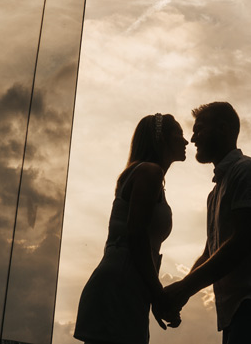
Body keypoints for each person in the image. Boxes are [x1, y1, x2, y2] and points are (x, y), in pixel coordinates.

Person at [163, 102, 251, 344]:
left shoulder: (249, 172)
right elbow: (210, 252)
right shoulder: (215, 193)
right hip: (240, 310)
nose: (193, 138)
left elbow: (240, 243)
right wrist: (183, 292)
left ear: (222, 129)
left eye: (199, 129)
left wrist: (183, 289)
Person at [74, 113, 188, 343]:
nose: (186, 141)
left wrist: (152, 294)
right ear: (162, 140)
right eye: (179, 134)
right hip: (121, 285)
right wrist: (158, 295)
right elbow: (136, 236)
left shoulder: (146, 174)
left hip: (127, 283)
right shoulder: (149, 172)